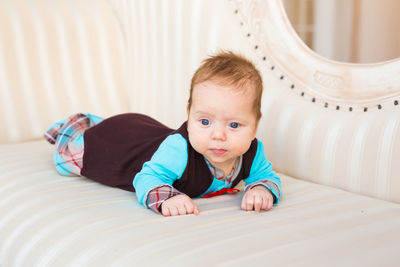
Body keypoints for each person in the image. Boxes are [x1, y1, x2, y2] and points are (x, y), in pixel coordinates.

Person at [44, 51, 282, 216]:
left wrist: (261, 189)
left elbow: (266, 176)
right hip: (122, 145)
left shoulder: (252, 151)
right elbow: (146, 179)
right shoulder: (179, 150)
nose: (218, 135)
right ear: (189, 115)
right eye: (205, 121)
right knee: (84, 153)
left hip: (146, 131)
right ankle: (80, 132)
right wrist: (168, 197)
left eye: (234, 125)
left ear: (255, 124)